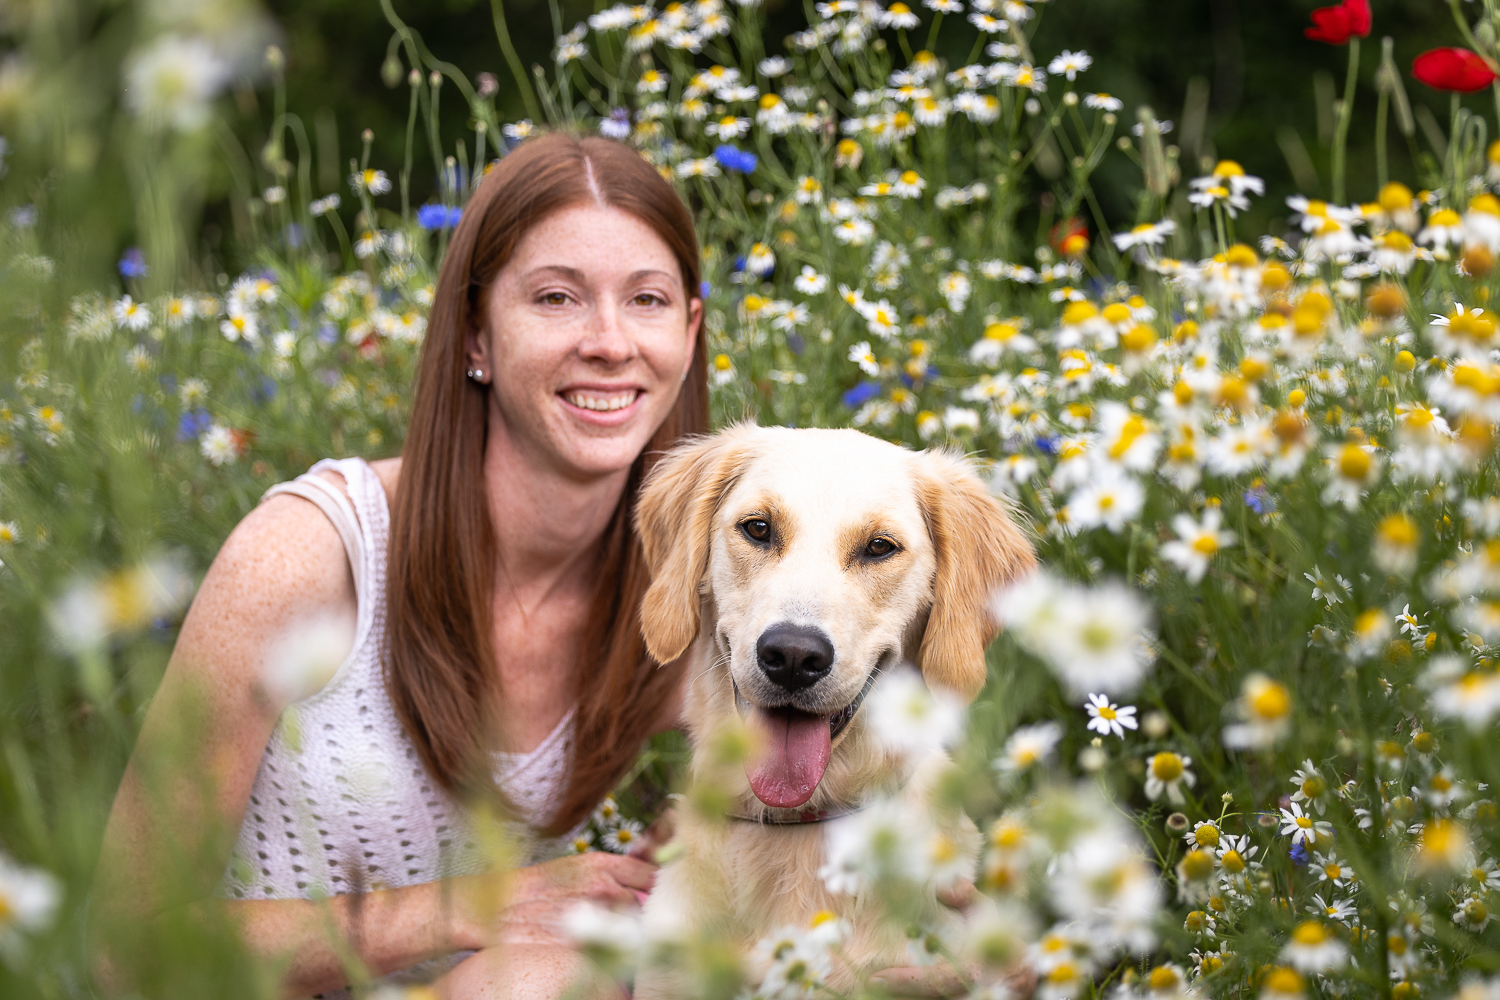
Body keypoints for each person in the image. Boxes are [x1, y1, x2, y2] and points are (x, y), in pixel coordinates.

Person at [92, 132, 705, 999]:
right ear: (474, 335)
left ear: (688, 331)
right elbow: (128, 945)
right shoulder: (312, 556)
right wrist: (476, 904)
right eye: (557, 298)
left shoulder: (675, 592)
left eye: (646, 300)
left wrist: (702, 839)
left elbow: (865, 752)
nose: (609, 341)